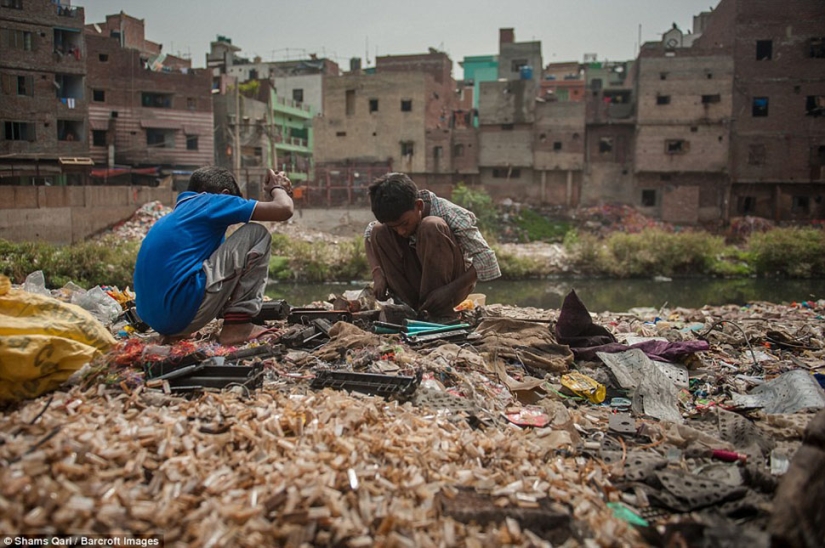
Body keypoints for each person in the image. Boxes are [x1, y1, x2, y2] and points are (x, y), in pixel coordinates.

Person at [133, 166, 293, 345]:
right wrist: (277, 188)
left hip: (157, 321)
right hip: (180, 315)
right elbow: (283, 209)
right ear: (224, 195)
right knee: (256, 233)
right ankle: (238, 326)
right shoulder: (210, 201)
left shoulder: (175, 216)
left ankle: (178, 331)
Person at [364, 172, 500, 320]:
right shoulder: (396, 222)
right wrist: (377, 274)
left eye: (404, 224)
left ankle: (441, 313)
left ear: (419, 205)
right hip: (414, 291)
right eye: (394, 227)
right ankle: (410, 310)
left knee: (431, 226)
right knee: (379, 230)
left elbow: (487, 258)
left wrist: (449, 290)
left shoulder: (448, 213)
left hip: (450, 290)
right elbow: (369, 235)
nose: (401, 231)